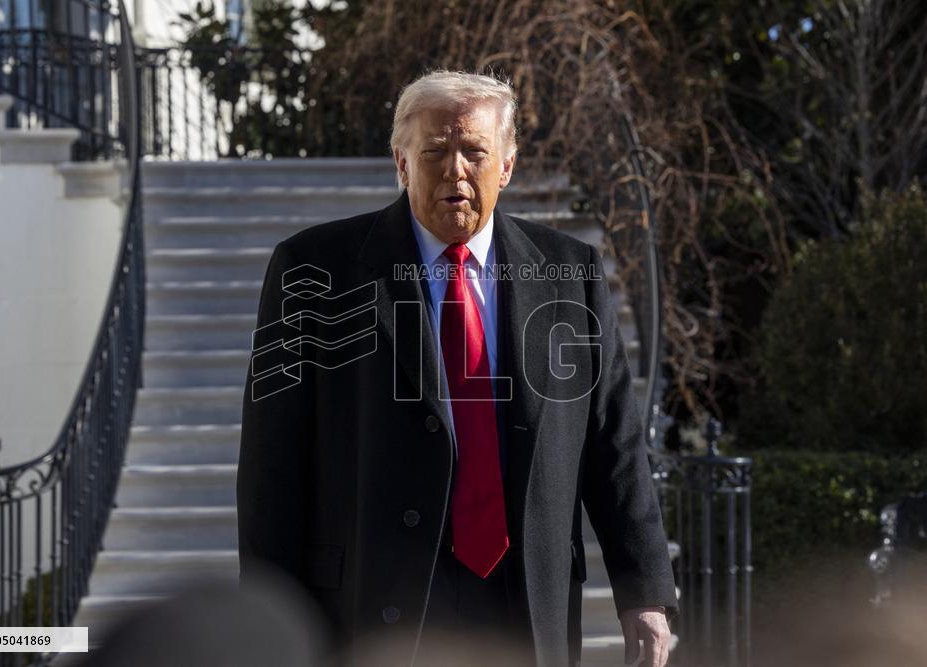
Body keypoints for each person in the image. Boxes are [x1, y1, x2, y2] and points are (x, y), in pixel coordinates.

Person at [237, 70, 677, 667]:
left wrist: (645, 592)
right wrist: (266, 620)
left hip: (526, 604)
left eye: (475, 151)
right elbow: (272, 463)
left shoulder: (570, 272)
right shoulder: (314, 268)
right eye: (435, 151)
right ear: (401, 162)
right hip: (375, 607)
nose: (455, 170)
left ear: (508, 166)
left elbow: (614, 445)